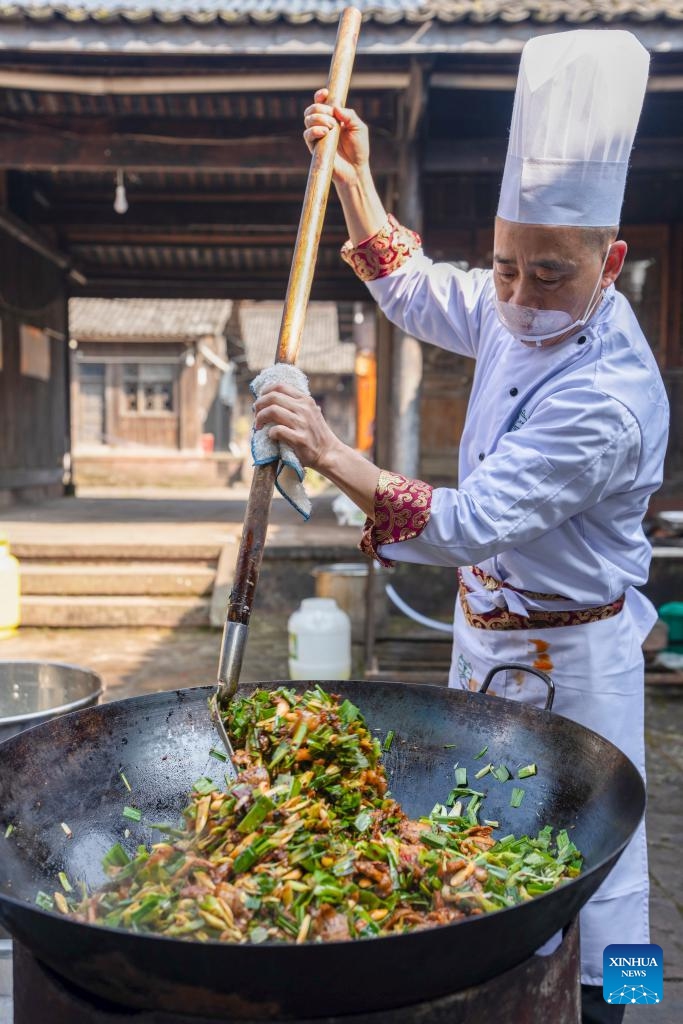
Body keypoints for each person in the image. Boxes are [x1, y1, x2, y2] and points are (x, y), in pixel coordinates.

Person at [254, 30, 669, 1023]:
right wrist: (354, 178)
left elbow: (463, 520)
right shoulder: (509, 299)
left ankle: (626, 1010)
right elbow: (411, 285)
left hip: (574, 654)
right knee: (475, 830)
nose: (517, 298)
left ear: (606, 261)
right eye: (503, 266)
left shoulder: (606, 396)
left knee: (597, 864)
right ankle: (492, 992)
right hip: (485, 629)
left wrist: (322, 445)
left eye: (548, 274)